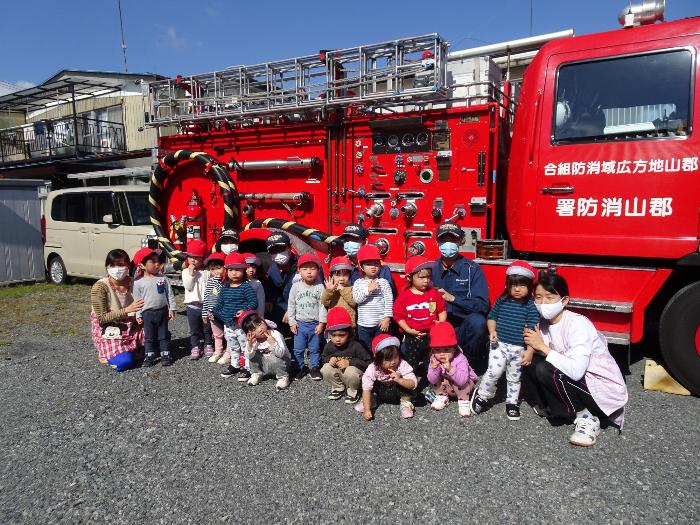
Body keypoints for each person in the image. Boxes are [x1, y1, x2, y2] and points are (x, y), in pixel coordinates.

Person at [522, 270, 628, 447]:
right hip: (577, 380)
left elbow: (577, 371)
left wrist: (541, 347)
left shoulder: (578, 323)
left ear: (564, 300)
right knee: (531, 361)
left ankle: (588, 417)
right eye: (538, 297)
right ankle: (558, 409)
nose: (543, 303)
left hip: (598, 384)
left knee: (544, 367)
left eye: (549, 297)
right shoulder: (541, 323)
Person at [471, 260, 540, 421]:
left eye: (522, 285)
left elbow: (532, 331)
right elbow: (492, 317)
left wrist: (530, 351)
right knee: (494, 372)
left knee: (514, 377)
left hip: (519, 349)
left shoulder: (530, 306)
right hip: (499, 345)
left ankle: (512, 401)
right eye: (513, 285)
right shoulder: (502, 301)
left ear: (530, 286)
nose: (517, 289)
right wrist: (492, 331)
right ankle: (482, 395)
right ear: (507, 285)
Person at [431, 221, 489, 367]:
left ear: (461, 241)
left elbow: (482, 306)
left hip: (462, 328)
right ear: (437, 242)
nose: (448, 244)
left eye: (453, 240)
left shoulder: (472, 269)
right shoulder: (429, 269)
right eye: (444, 240)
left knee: (478, 322)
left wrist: (453, 299)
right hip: (436, 326)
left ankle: (468, 366)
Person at [393, 255, 446, 390]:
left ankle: (434, 384)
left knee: (432, 361)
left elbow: (441, 310)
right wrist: (408, 330)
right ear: (410, 278)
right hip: (412, 336)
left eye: (428, 277)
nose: (425, 281)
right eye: (421, 277)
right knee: (411, 362)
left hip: (431, 335)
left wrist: (441, 324)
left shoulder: (434, 294)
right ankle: (410, 386)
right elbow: (398, 316)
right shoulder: (404, 296)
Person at [89, 249, 144, 372]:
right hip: (111, 326)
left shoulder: (135, 282)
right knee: (125, 361)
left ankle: (132, 350)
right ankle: (107, 353)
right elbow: (102, 318)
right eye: (112, 265)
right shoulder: (100, 287)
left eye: (121, 265)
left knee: (160, 341)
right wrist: (127, 310)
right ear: (107, 267)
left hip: (134, 323)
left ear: (128, 265)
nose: (117, 269)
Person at [212, 252, 258, 379]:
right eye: (231, 270)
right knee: (233, 346)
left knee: (245, 346)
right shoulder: (225, 288)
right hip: (228, 325)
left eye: (238, 270)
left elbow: (254, 303)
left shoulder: (246, 287)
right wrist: (213, 311)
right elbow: (219, 303)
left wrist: (244, 311)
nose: (234, 273)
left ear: (244, 271)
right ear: (226, 271)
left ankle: (247, 367)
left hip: (241, 324)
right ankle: (235, 365)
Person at [132, 247, 176, 367]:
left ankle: (165, 354)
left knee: (164, 334)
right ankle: (149, 355)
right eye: (153, 261)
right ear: (142, 266)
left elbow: (169, 294)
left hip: (162, 311)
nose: (157, 264)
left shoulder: (163, 278)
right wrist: (138, 314)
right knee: (149, 336)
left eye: (158, 261)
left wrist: (172, 308)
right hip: (148, 313)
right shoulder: (138, 282)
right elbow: (137, 301)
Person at [357, 334, 418, 420]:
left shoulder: (402, 364)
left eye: (396, 357)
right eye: (388, 359)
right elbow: (367, 388)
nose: (393, 362)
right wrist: (366, 410)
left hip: (397, 392)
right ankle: (371, 401)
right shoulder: (373, 368)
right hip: (381, 392)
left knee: (407, 386)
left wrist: (400, 380)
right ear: (378, 359)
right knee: (366, 383)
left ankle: (406, 404)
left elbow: (413, 384)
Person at [288, 253, 327, 380]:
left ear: (318, 270)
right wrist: (292, 322)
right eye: (305, 269)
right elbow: (291, 304)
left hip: (315, 324)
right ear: (299, 270)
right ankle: (300, 367)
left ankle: (314, 368)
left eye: (312, 269)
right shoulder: (296, 286)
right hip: (300, 324)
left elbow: (323, 306)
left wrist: (322, 324)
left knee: (314, 348)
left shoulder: (320, 287)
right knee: (298, 349)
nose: (309, 272)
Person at [320, 307, 372, 404]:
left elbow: (369, 363)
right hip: (340, 375)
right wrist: (329, 359)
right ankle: (338, 388)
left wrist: (350, 362)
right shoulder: (329, 346)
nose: (337, 339)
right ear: (329, 334)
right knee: (325, 368)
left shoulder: (356, 346)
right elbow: (323, 358)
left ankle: (353, 391)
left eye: (342, 335)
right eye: (333, 335)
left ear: (349, 333)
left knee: (351, 371)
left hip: (354, 377)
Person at [426, 322, 478, 417]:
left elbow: (463, 380)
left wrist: (451, 369)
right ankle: (442, 396)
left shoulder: (460, 358)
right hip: (447, 385)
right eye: (437, 350)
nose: (441, 354)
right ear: (432, 350)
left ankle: (463, 401)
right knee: (435, 379)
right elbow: (431, 380)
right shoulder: (434, 358)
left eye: (446, 350)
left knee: (462, 382)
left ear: (454, 348)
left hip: (464, 385)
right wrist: (434, 369)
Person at [352, 245, 394, 352]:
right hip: (363, 325)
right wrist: (368, 290)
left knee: (381, 349)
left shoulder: (383, 282)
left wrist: (387, 318)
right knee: (366, 349)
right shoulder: (358, 283)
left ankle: (379, 367)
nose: (373, 267)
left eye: (376, 263)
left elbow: (389, 300)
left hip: (380, 325)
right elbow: (356, 299)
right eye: (369, 264)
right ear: (361, 267)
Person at [239, 310, 291, 390]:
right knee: (252, 356)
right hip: (264, 367)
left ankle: (283, 377)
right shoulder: (253, 340)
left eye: (259, 324)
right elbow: (248, 357)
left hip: (280, 364)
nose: (259, 329)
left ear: (264, 321)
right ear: (249, 333)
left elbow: (281, 354)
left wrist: (273, 342)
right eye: (253, 329)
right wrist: (250, 344)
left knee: (275, 357)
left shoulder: (275, 334)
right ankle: (256, 374)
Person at [341, 223, 396, 295]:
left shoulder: (381, 269)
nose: (349, 243)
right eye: (346, 240)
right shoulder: (343, 266)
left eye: (355, 240)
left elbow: (389, 295)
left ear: (365, 242)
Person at [181, 239, 210, 360]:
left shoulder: (207, 272)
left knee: (207, 328)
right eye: (190, 257)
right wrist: (191, 273)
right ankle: (195, 346)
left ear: (203, 258)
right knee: (194, 329)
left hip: (205, 305)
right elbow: (188, 286)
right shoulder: (185, 272)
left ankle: (208, 345)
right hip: (192, 306)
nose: (193, 260)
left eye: (196, 257)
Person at [264, 231, 298, 329]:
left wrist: (291, 310)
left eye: (281, 248)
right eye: (273, 251)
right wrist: (268, 301)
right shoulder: (272, 269)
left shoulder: (303, 266)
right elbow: (271, 290)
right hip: (281, 309)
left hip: (300, 310)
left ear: (290, 247)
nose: (278, 253)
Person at [201, 252, 226, 362]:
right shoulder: (210, 281)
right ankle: (218, 351)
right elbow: (206, 297)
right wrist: (204, 312)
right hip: (211, 314)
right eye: (212, 269)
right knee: (217, 334)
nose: (216, 271)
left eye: (219, 268)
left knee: (228, 334)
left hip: (224, 313)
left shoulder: (226, 282)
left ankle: (229, 353)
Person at [321, 256, 357, 326]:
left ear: (349, 276)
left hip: (349, 324)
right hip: (333, 323)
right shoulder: (330, 289)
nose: (341, 278)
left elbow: (353, 302)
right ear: (332, 277)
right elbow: (325, 302)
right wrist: (329, 291)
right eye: (337, 276)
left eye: (345, 275)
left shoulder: (351, 288)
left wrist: (342, 289)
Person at [243, 252, 266, 317]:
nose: (251, 270)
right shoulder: (235, 282)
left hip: (252, 317)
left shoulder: (257, 283)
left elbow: (261, 303)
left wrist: (260, 317)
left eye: (253, 267)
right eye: (247, 267)